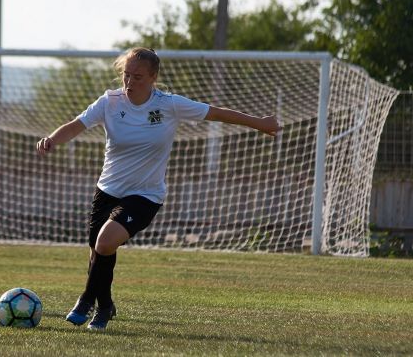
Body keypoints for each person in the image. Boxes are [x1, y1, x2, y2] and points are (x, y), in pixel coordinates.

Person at [36, 47, 281, 330]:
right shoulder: (110, 102)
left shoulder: (169, 104)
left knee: (104, 242)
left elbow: (216, 113)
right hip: (107, 189)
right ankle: (105, 306)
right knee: (98, 252)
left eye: (138, 77)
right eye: (126, 75)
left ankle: (87, 300)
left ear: (153, 77)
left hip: (145, 195)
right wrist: (52, 139)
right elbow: (76, 125)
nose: (129, 82)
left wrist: (259, 124)